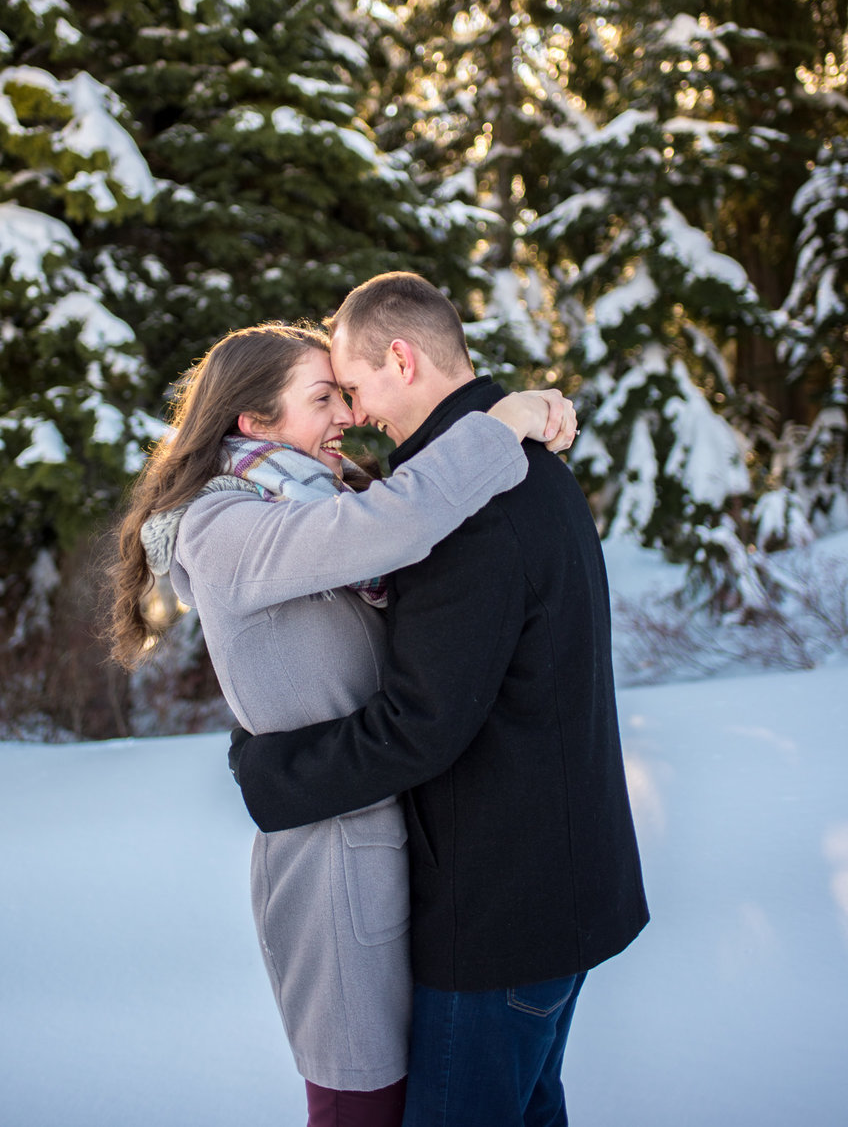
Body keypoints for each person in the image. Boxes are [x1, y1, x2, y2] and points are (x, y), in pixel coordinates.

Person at [107, 319, 577, 1127]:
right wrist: (499, 424)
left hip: (389, 842)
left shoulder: (307, 499)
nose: (347, 417)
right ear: (253, 423)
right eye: (323, 397)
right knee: (359, 1106)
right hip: (335, 867)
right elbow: (389, 524)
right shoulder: (227, 530)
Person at [229, 276, 649, 1127]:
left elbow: (423, 724)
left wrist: (275, 775)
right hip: (553, 896)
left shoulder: (467, 507)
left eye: (353, 387)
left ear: (401, 357)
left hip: (498, 916)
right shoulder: (526, 464)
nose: (353, 414)